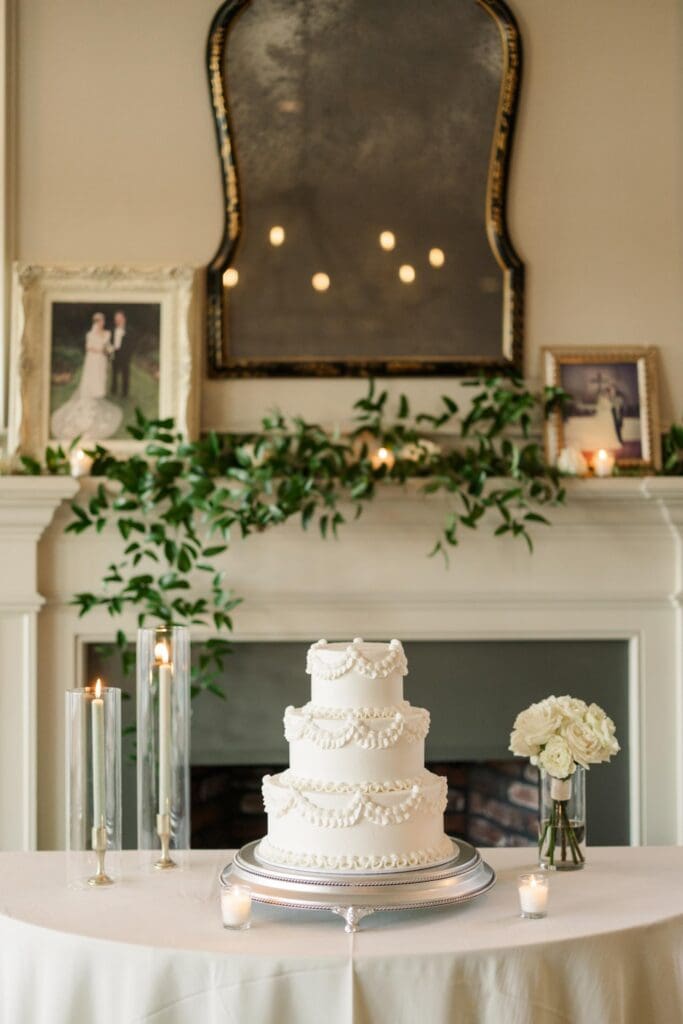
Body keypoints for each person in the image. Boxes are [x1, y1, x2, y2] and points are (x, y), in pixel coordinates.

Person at [50, 312, 123, 440]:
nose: (102, 323)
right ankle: (91, 393)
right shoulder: (90, 334)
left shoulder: (107, 333)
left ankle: (98, 393)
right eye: (99, 321)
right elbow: (89, 348)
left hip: (102, 360)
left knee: (101, 377)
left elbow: (109, 346)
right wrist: (101, 350)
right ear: (96, 322)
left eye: (102, 321)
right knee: (92, 377)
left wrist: (109, 350)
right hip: (93, 359)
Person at [110, 310, 132, 398]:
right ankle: (114, 389)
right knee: (114, 373)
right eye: (116, 319)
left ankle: (124, 393)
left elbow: (132, 344)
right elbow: (110, 342)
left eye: (119, 318)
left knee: (125, 374)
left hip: (125, 355)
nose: (117, 320)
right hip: (115, 353)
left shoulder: (129, 330)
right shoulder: (112, 330)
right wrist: (110, 350)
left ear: (123, 319)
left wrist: (128, 355)